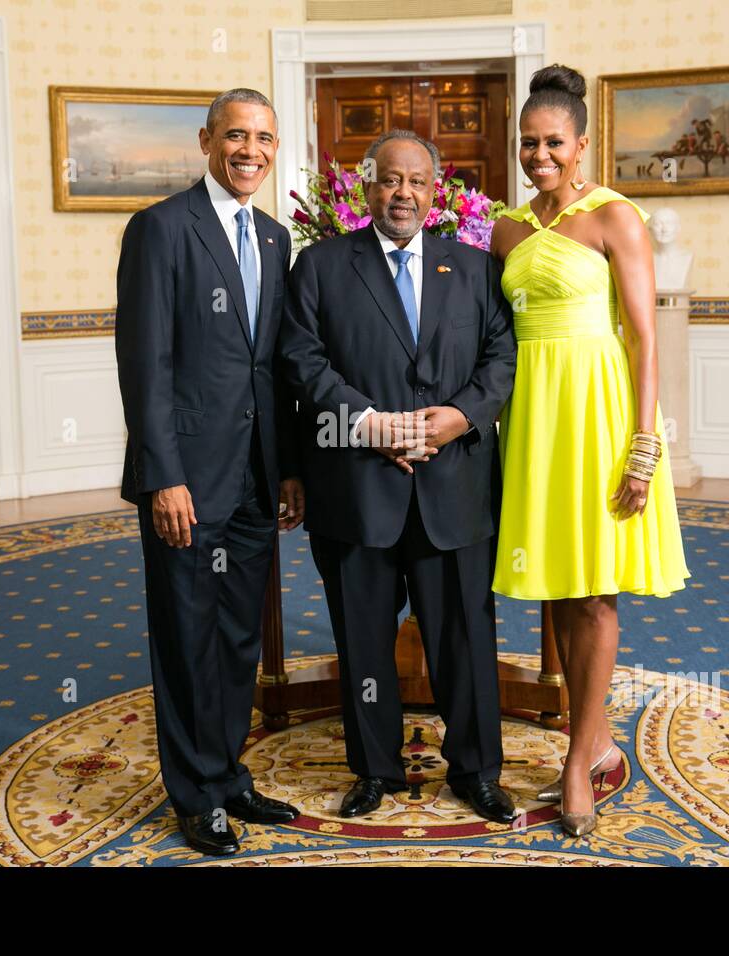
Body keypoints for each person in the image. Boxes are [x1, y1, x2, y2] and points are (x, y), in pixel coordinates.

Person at [280, 129, 519, 823]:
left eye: (416, 181)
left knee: (466, 638)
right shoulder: (321, 267)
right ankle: (374, 769)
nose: (403, 193)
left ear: (436, 190)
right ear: (367, 187)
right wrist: (370, 423)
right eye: (390, 180)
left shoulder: (474, 268)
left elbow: (501, 359)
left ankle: (476, 769)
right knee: (362, 637)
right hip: (358, 486)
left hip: (455, 487)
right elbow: (302, 360)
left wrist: (461, 417)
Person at [488, 65, 691, 837]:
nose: (540, 155)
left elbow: (643, 339)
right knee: (557, 586)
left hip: (601, 415)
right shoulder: (505, 228)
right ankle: (595, 733)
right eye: (529, 143)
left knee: (597, 589)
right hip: (533, 416)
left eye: (554, 143)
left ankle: (577, 760)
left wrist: (645, 444)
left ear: (581, 144)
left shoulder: (615, 218)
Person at [114, 88, 305, 857]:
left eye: (262, 137)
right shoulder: (160, 228)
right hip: (187, 479)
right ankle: (194, 795)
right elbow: (145, 363)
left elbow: (276, 368)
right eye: (235, 135)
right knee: (186, 636)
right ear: (205, 141)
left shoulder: (274, 236)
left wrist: (288, 468)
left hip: (257, 477)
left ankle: (227, 776)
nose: (249, 150)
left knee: (236, 640)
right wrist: (164, 477)